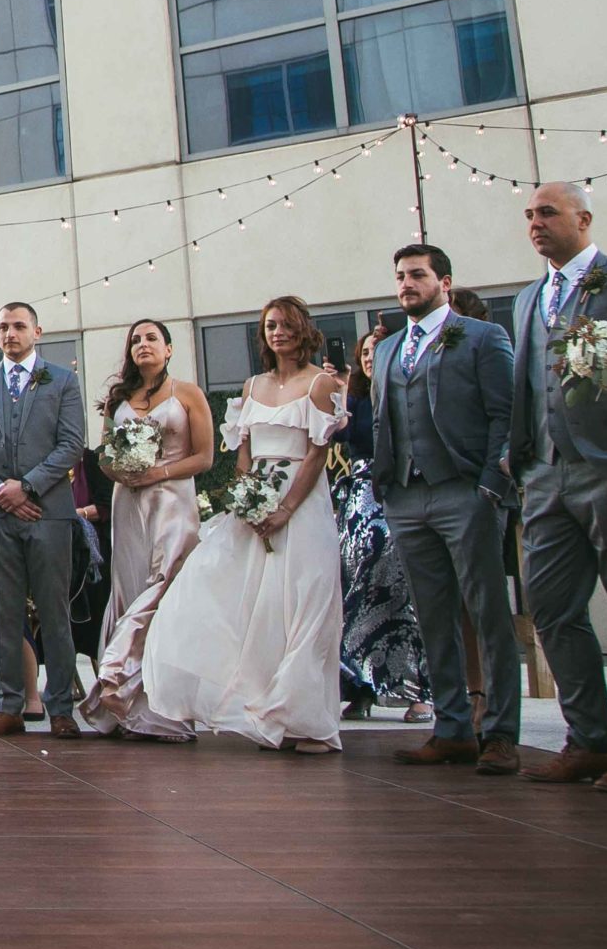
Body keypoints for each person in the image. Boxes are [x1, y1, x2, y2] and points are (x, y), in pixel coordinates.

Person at [143, 298, 348, 752]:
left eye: (287, 325)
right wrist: (245, 501)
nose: (278, 332)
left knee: (305, 605)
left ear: (304, 330)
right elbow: (243, 453)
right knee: (257, 607)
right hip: (256, 500)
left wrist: (286, 509)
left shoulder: (321, 383)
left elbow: (316, 454)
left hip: (303, 503)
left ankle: (310, 722)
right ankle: (268, 710)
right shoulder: (253, 386)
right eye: (271, 325)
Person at [368, 241, 522, 775]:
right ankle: (452, 727)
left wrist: (489, 487)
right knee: (432, 616)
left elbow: (506, 417)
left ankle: (500, 731)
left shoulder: (483, 337)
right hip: (406, 497)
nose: (407, 285)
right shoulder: (387, 350)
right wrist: (386, 487)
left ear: (444, 282)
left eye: (417, 275)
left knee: (487, 613)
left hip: (464, 492)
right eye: (401, 277)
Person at [509, 182, 607, 786]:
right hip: (542, 472)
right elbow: (525, 383)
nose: (535, 223)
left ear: (584, 218)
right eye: (530, 215)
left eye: (548, 213)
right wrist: (518, 459)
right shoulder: (527, 298)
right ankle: (591, 738)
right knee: (552, 608)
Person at [0, 303, 86, 737]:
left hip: (48, 512)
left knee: (53, 611)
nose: (10, 334)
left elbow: (71, 444)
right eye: (2, 327)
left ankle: (61, 707)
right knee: (2, 611)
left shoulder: (62, 381)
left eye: (18, 326)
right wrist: (0, 491)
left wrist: (26, 487)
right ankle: (7, 705)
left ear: (37, 332)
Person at [79, 318, 212, 742]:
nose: (143, 345)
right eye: (136, 340)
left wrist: (159, 471)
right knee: (130, 588)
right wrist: (121, 469)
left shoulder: (188, 393)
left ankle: (150, 699)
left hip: (172, 502)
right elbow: (102, 456)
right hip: (128, 502)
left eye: (152, 338)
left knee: (165, 588)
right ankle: (127, 708)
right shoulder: (119, 398)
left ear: (169, 349)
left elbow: (205, 457)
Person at [334, 335, 432, 723]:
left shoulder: (402, 392)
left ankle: (416, 691)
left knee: (399, 593)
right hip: (360, 503)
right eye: (365, 354)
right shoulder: (355, 398)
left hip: (399, 495)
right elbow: (339, 433)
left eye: (378, 351)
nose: (371, 359)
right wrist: (339, 391)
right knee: (354, 596)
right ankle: (360, 689)